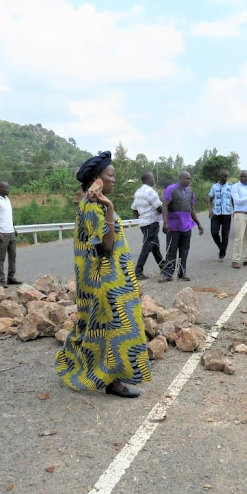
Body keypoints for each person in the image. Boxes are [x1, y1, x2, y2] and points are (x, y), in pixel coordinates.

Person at [55, 151, 151, 398]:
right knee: (113, 329)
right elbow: (106, 246)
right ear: (97, 179)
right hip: (104, 282)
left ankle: (85, 365)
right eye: (110, 175)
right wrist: (110, 207)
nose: (114, 180)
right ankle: (113, 381)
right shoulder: (94, 207)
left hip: (114, 279)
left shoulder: (92, 204)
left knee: (97, 328)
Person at [159, 171, 204, 282]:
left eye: (189, 179)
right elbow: (165, 205)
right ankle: (168, 274)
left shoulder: (190, 192)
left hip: (187, 226)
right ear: (180, 178)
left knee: (184, 250)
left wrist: (199, 224)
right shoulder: (171, 189)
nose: (188, 181)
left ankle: (182, 273)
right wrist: (165, 222)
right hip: (173, 225)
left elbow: (192, 209)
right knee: (171, 251)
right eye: (186, 179)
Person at [131, 171, 164, 279]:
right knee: (147, 247)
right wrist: (169, 216)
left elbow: (134, 209)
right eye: (153, 178)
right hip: (151, 223)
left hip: (144, 224)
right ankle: (138, 271)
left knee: (155, 247)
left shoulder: (138, 192)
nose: (154, 180)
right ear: (147, 179)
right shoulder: (150, 192)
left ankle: (164, 267)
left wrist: (142, 217)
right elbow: (159, 208)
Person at [0, 180, 20, 287]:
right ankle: (2, 280)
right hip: (2, 233)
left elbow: (8, 217)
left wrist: (14, 228)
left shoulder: (7, 200)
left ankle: (11, 277)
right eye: (6, 188)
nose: (8, 190)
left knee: (13, 256)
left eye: (8, 188)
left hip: (11, 232)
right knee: (1, 258)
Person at [207, 169, 233, 262]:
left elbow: (233, 200)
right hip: (216, 213)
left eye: (227, 176)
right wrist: (210, 210)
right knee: (214, 232)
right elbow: (210, 199)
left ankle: (222, 254)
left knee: (225, 235)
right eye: (224, 176)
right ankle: (221, 247)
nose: (226, 178)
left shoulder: (230, 187)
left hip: (227, 214)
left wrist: (235, 211)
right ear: (220, 176)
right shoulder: (214, 187)